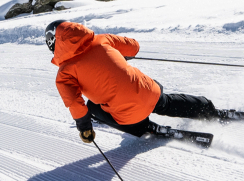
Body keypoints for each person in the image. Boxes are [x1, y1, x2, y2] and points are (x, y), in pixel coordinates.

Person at [46, 19, 217, 142]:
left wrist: (85, 128)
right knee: (165, 102)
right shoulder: (102, 40)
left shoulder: (64, 74)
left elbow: (76, 105)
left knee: (91, 107)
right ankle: (208, 108)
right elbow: (134, 47)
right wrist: (118, 55)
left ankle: (145, 126)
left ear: (53, 44)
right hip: (150, 90)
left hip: (128, 115)